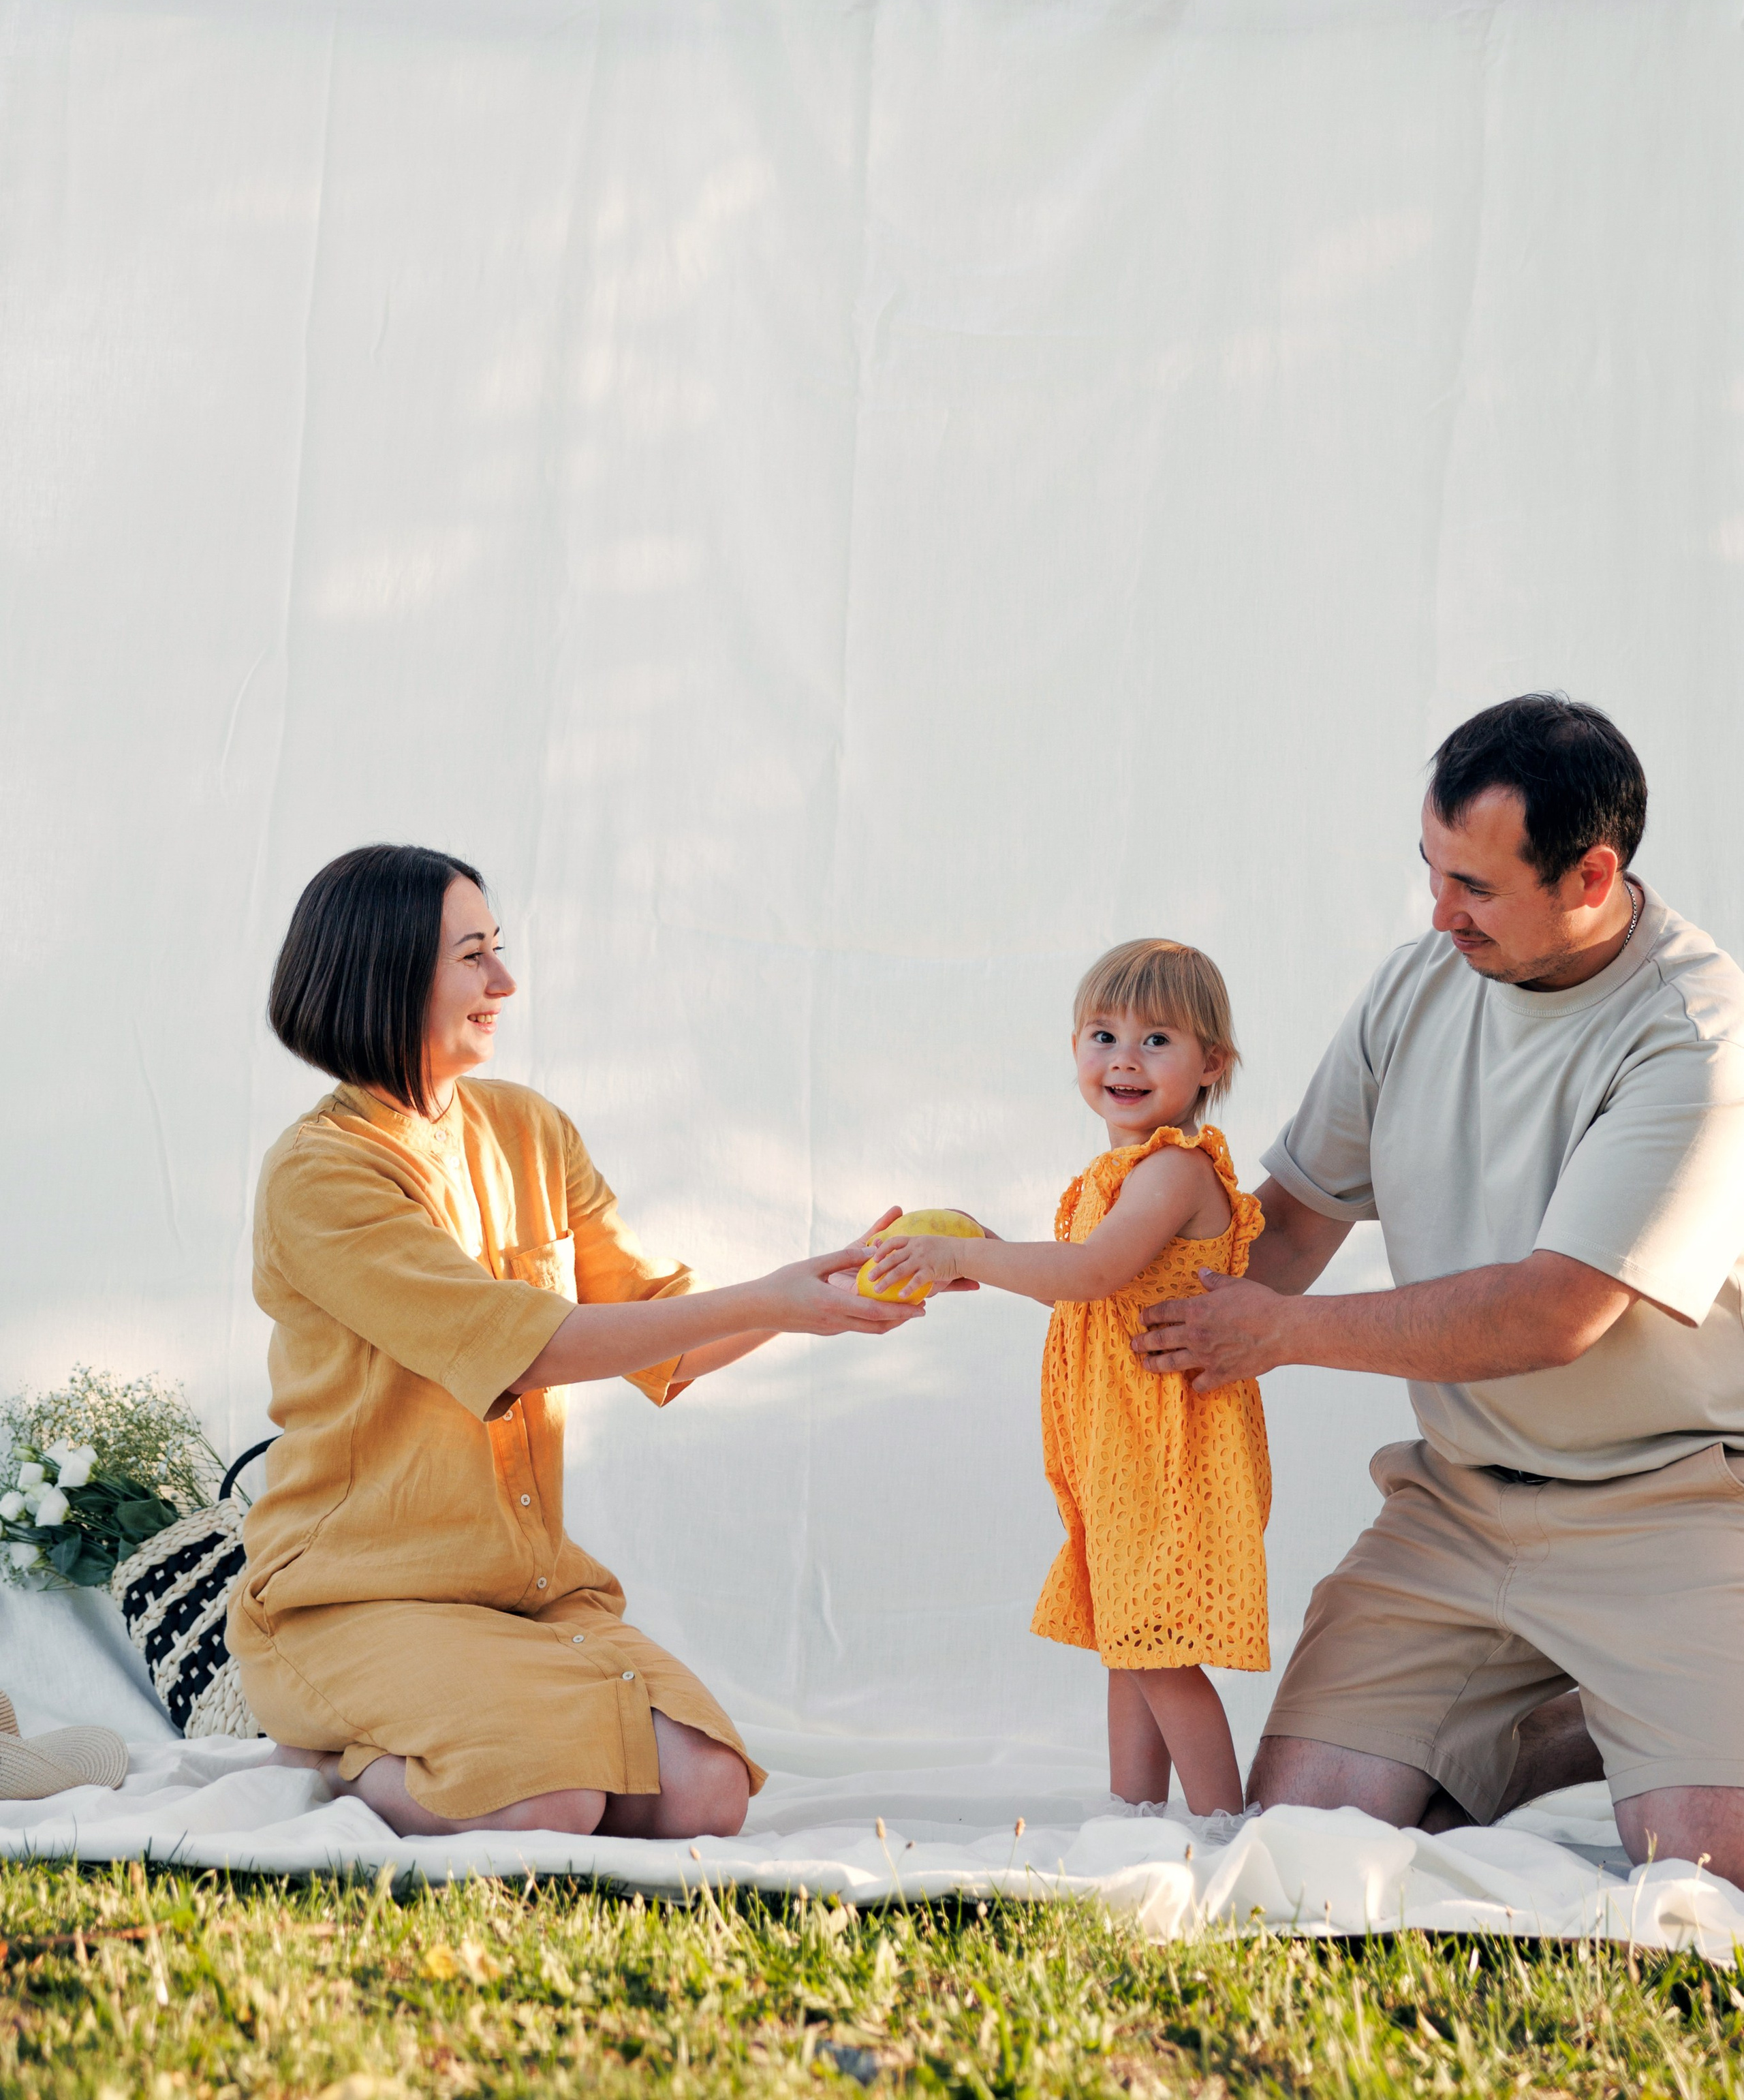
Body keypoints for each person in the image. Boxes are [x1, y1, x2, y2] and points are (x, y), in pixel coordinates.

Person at [1138, 696, 1744, 1883]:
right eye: (1429, 868)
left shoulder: (1695, 1039)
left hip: (1670, 1501)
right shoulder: (1417, 985)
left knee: (1705, 1866)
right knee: (1302, 1839)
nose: (1438, 911)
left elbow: (1553, 1313)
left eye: (1474, 885)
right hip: (1456, 1504)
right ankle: (1563, 1723)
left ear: (1591, 875)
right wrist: (1109, 1296)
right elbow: (1290, 1225)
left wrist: (1277, 1335)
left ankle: (1624, 1713)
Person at [230, 843, 916, 1842]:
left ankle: (450, 1727)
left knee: (709, 1794)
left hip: (529, 1595)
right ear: (387, 973)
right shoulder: (318, 1173)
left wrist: (802, 1296)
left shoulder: (530, 1129)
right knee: (544, 1803)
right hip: (354, 1599)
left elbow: (657, 1333)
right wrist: (764, 1299)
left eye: (497, 949)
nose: (504, 982)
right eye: (473, 957)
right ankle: (336, 1752)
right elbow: (529, 1349)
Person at [864, 939, 1271, 1815]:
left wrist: (965, 1254)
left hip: (1170, 1447)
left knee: (1160, 1649)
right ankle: (1134, 1816)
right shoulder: (1113, 1176)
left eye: (1156, 1040)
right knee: (1128, 1637)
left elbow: (1090, 1274)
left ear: (1211, 1064)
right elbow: (1077, 1279)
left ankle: (1222, 1827)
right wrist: (985, 1249)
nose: (1124, 1059)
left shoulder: (1174, 1170)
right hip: (1119, 1443)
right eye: (1103, 1035)